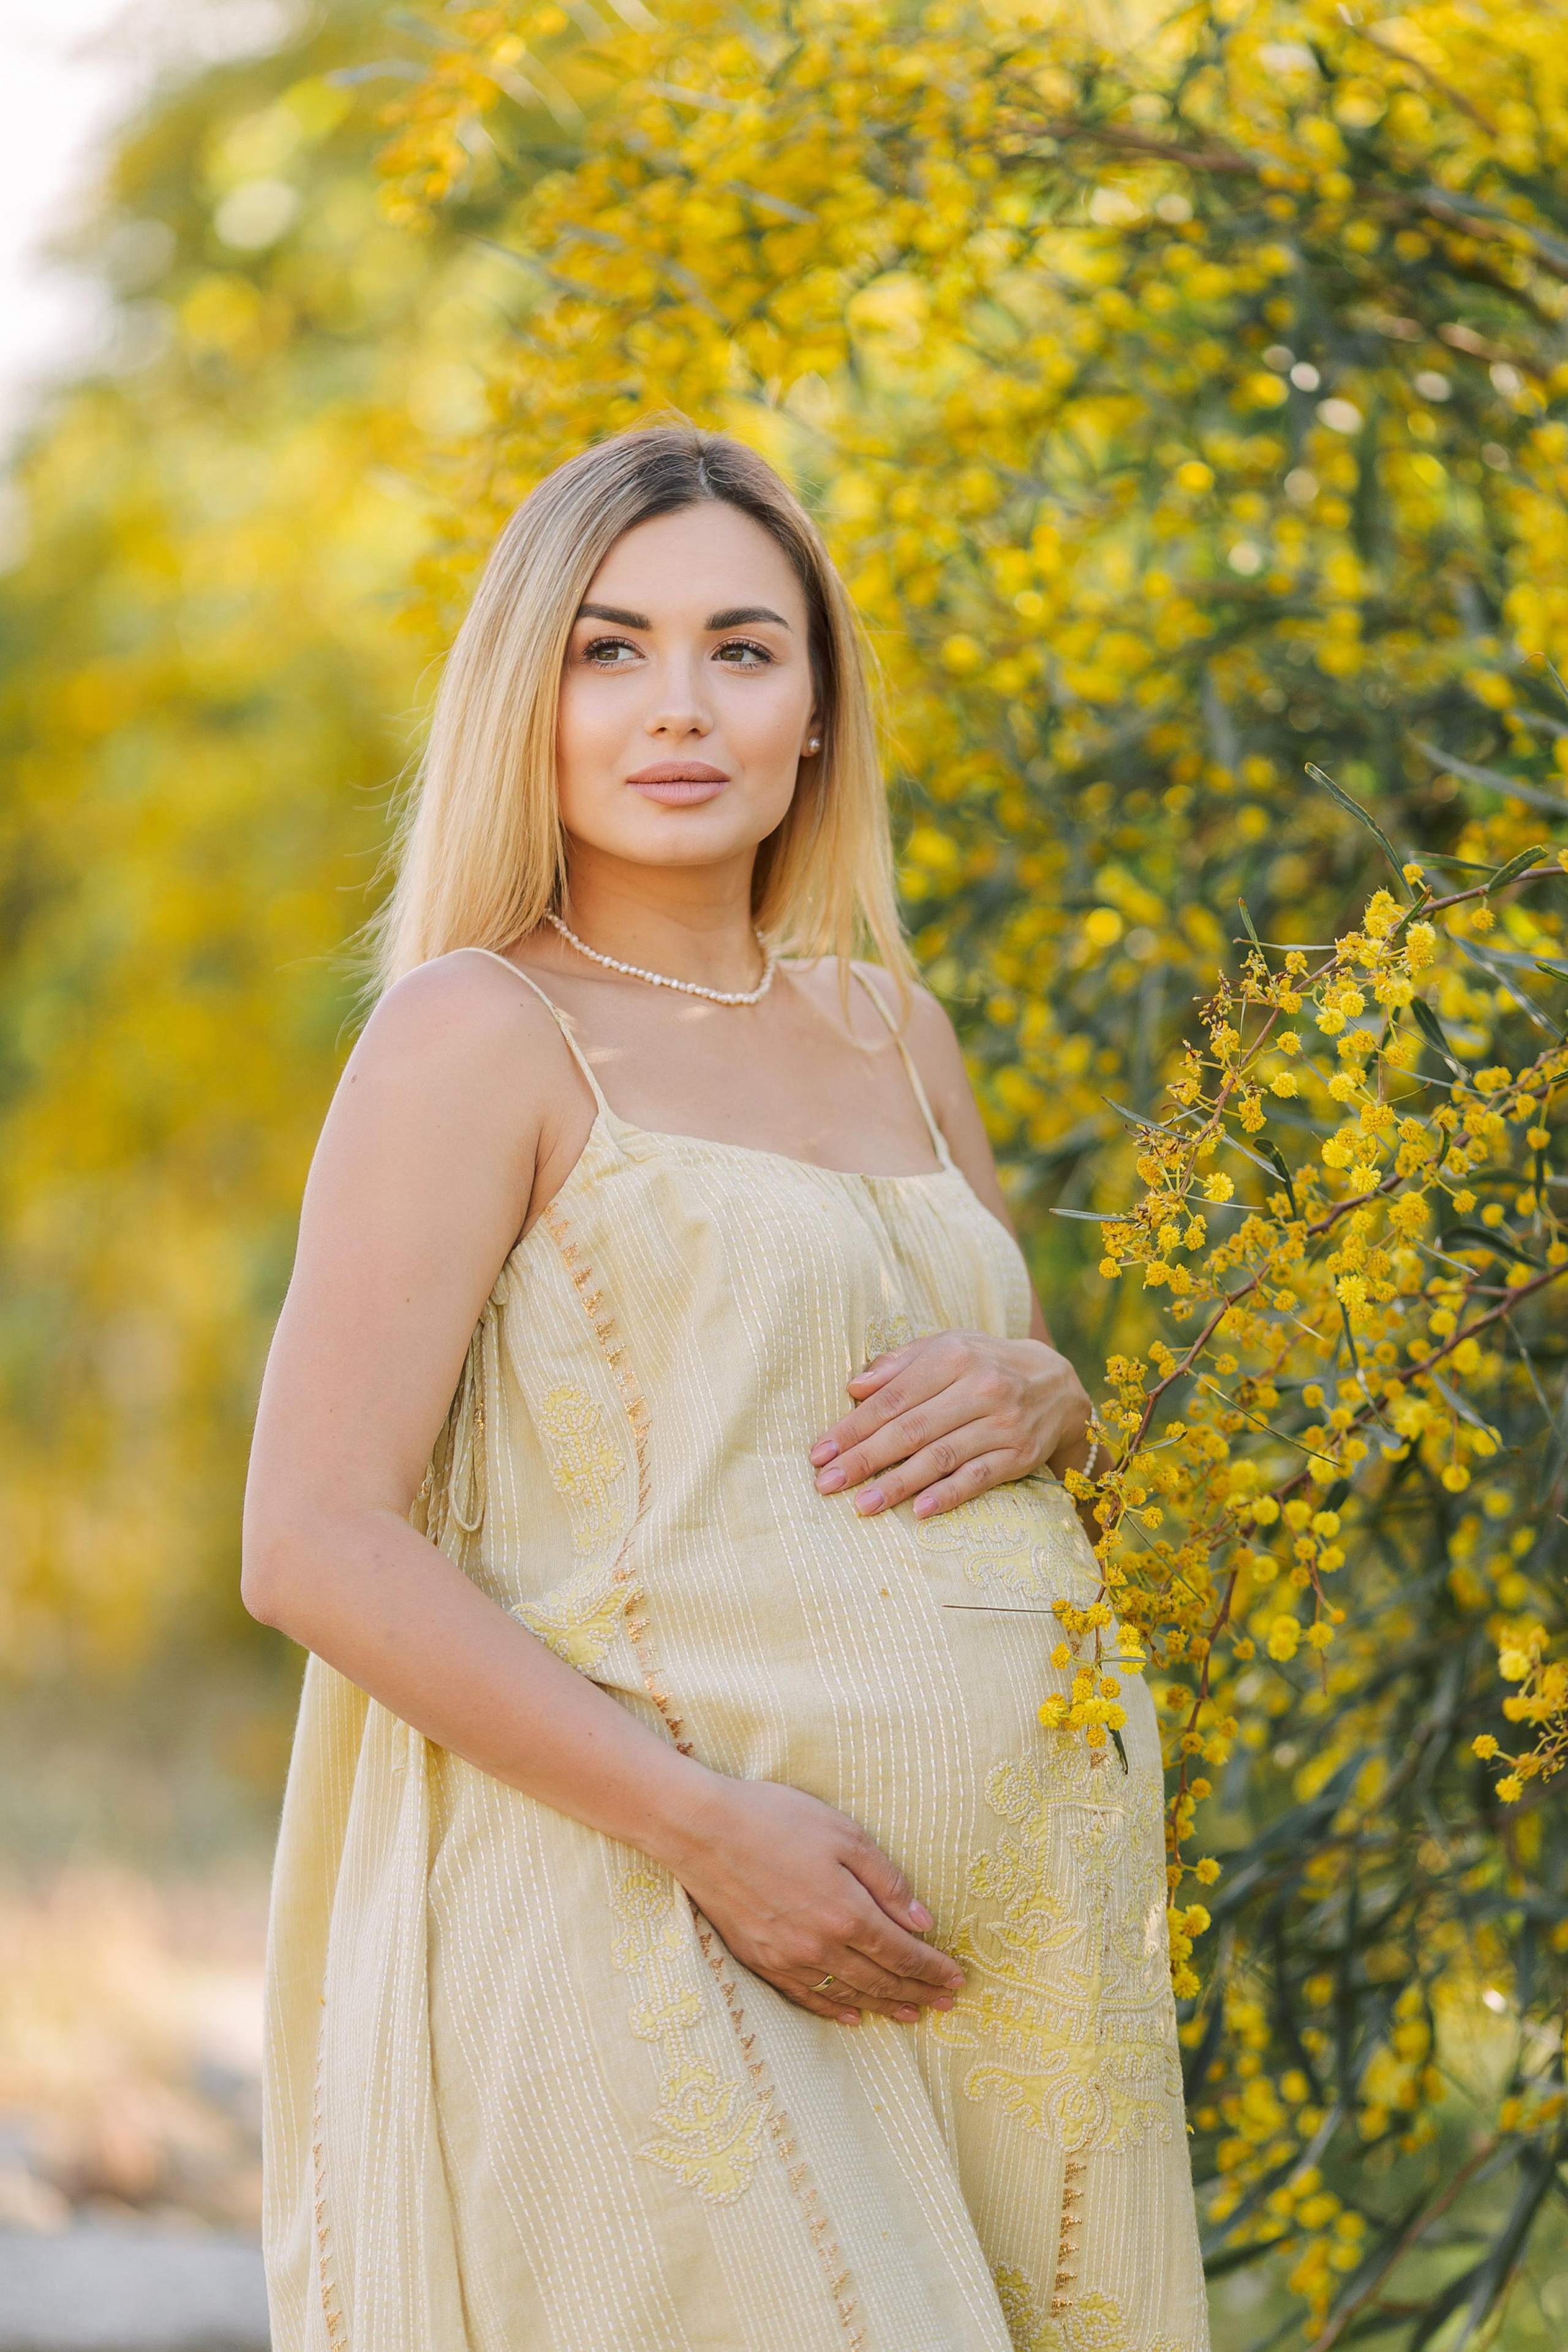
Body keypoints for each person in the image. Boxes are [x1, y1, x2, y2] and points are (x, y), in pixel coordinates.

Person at [242, 425, 1209, 2352]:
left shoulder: (890, 1029)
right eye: (610, 651)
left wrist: (1055, 1398)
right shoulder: (475, 1032)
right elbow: (313, 1540)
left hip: (1011, 1977)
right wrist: (707, 1833)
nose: (676, 708)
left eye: (741, 650)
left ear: (820, 716)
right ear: (531, 698)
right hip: (665, 1937)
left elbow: (941, 1446)